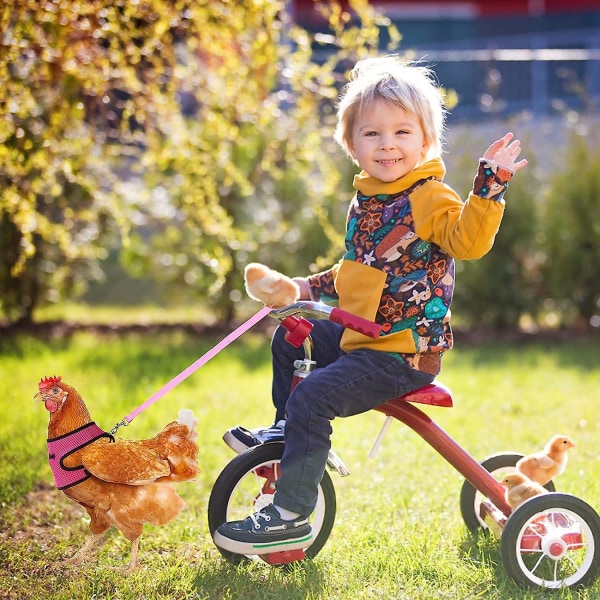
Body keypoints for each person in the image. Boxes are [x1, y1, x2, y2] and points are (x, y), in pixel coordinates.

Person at [213, 55, 528, 555]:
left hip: (401, 352)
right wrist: (304, 288)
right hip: (367, 336)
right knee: (293, 333)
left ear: (425, 140)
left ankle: (292, 513)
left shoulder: (428, 196)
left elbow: (467, 240)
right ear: (351, 143)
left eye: (402, 132)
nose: (387, 145)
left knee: (312, 396)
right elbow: (355, 273)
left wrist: (488, 187)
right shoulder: (368, 201)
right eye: (372, 134)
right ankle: (286, 431)